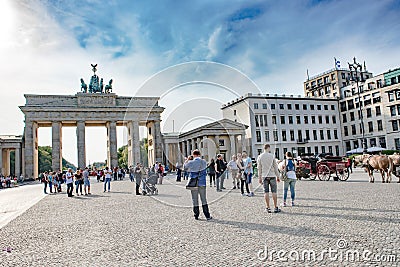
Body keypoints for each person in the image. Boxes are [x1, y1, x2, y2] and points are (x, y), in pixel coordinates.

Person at [185, 150, 212, 221]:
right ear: (199, 154)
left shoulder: (191, 162)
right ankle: (207, 215)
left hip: (194, 183)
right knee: (204, 199)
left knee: (195, 199)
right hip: (202, 182)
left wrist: (187, 160)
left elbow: (184, 167)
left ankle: (196, 215)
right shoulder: (204, 162)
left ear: (193, 155)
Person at [257, 144, 281, 213]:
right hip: (272, 175)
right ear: (269, 148)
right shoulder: (272, 156)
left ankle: (268, 207)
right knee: (274, 191)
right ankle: (276, 207)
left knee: (266, 192)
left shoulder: (260, 156)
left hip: (264, 176)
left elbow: (259, 168)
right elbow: (276, 167)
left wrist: (259, 177)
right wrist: (278, 176)